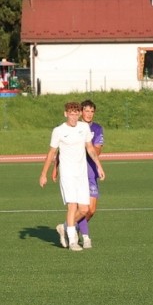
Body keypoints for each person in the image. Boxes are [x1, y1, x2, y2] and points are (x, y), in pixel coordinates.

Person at [39, 101, 105, 251]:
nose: (74, 117)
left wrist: (99, 166)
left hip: (82, 174)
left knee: (84, 209)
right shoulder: (58, 131)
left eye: (76, 114)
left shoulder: (84, 128)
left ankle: (64, 227)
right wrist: (44, 174)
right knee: (72, 206)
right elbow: (52, 153)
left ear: (79, 114)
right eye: (71, 114)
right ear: (66, 114)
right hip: (68, 174)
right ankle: (73, 241)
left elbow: (90, 148)